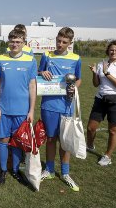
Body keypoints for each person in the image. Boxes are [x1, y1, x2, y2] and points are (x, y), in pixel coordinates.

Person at [38, 27, 82, 192]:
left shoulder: (76, 58)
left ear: (70, 43)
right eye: (58, 41)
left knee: (65, 141)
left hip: (67, 105)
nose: (60, 44)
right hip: (48, 105)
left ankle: (65, 173)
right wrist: (43, 72)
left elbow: (78, 79)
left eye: (64, 42)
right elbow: (38, 72)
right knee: (50, 139)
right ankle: (49, 170)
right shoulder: (47, 55)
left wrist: (74, 88)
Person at [0, 29, 37, 185]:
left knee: (18, 141)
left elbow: (32, 86)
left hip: (22, 109)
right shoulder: (0, 59)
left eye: (18, 42)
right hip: (3, 109)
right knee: (3, 140)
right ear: (8, 42)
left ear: (23, 43)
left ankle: (16, 170)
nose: (15, 44)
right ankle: (3, 170)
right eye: (12, 41)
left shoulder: (31, 60)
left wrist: (31, 110)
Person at [87, 40, 116, 166]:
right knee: (91, 128)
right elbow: (96, 84)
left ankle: (107, 156)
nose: (114, 52)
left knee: (112, 131)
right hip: (100, 99)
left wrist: (107, 73)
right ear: (108, 51)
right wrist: (95, 73)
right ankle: (90, 146)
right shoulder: (101, 63)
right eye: (112, 50)